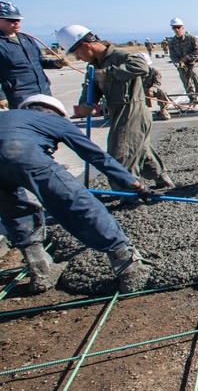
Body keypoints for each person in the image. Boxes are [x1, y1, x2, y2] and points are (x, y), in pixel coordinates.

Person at [1, 95, 153, 294]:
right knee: (78, 203)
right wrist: (133, 183)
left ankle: (40, 268)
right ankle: (129, 266)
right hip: (21, 153)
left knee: (15, 212)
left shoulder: (11, 116)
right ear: (57, 113)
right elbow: (95, 155)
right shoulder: (53, 120)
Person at [57, 25, 175, 192]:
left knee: (120, 153)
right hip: (118, 111)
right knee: (139, 149)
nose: (77, 58)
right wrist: (86, 104)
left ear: (86, 45)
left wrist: (108, 73)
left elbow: (141, 67)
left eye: (76, 53)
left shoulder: (120, 56)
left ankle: (128, 194)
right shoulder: (93, 65)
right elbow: (91, 87)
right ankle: (163, 181)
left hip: (132, 111)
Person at [0, 0, 70, 110]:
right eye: (11, 20)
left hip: (43, 91)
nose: (16, 23)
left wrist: (56, 63)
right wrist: (1, 97)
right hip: (19, 95)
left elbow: (39, 62)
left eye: (18, 20)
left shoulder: (26, 39)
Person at [166, 18, 198, 105]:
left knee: (194, 73)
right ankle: (192, 98)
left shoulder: (192, 39)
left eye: (178, 27)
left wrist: (187, 57)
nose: (176, 29)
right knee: (185, 79)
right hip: (182, 64)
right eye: (174, 28)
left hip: (194, 61)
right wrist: (178, 63)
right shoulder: (172, 42)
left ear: (182, 27)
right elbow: (173, 56)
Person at [138, 53, 171, 120]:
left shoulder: (154, 71)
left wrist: (151, 89)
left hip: (150, 90)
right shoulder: (133, 71)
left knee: (162, 91)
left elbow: (158, 83)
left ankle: (163, 110)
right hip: (137, 91)